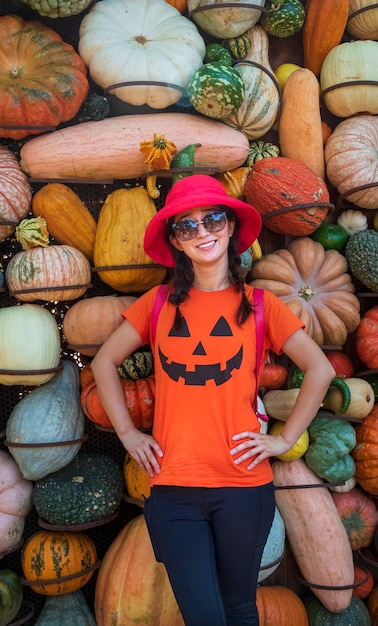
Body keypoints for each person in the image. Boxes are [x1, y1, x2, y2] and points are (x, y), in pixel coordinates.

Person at [91, 174, 335, 626]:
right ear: (177, 242)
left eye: (212, 219)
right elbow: (104, 362)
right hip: (174, 490)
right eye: (187, 226)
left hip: (244, 489)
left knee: (241, 609)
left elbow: (320, 369)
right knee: (203, 616)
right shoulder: (157, 304)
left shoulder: (261, 305)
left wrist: (283, 441)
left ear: (230, 229)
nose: (202, 232)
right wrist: (127, 433)